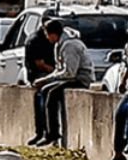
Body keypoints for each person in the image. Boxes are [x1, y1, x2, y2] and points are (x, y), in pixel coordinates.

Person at [30, 19, 93, 147]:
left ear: (53, 34)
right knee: (42, 92)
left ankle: (52, 134)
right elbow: (59, 70)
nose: (47, 38)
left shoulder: (69, 45)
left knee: (51, 94)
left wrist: (46, 80)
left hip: (80, 79)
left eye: (47, 35)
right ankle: (42, 131)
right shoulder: (60, 45)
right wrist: (44, 80)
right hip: (70, 78)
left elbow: (70, 73)